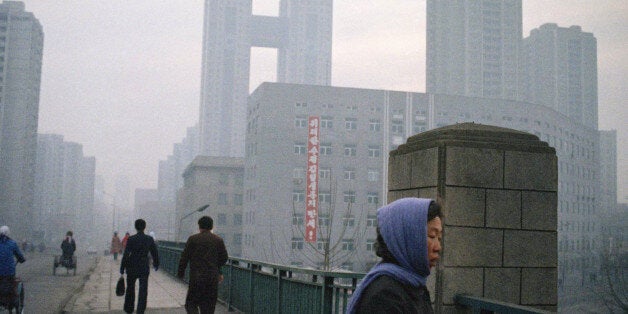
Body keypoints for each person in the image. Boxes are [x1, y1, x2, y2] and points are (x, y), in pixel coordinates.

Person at [346, 198, 443, 314]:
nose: (438, 247)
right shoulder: (385, 297)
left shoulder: (413, 285)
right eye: (432, 236)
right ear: (406, 238)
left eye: (439, 238)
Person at [177, 216, 228, 314]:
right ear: (212, 226)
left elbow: (184, 258)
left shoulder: (193, 239)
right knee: (209, 307)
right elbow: (224, 258)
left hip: (196, 278)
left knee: (191, 304)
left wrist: (180, 273)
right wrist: (217, 270)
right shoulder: (218, 240)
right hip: (212, 279)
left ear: (199, 226)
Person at [120, 219, 159, 314]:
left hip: (131, 266)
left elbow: (126, 254)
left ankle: (129, 309)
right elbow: (155, 253)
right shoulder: (149, 239)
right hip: (143, 267)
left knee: (130, 289)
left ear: (135, 227)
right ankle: (140, 310)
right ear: (144, 227)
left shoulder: (131, 239)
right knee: (143, 290)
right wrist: (156, 264)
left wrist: (122, 267)